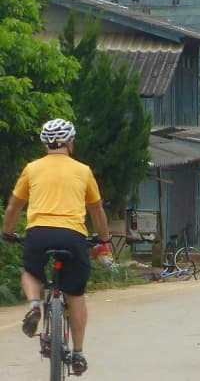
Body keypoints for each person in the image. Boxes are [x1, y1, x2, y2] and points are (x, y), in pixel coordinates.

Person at [2, 118, 111, 376]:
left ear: (45, 143)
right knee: (75, 295)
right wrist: (104, 239)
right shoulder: (83, 171)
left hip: (38, 233)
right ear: (70, 143)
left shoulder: (32, 169)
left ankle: (32, 305)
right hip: (73, 236)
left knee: (31, 272)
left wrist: (7, 232)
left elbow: (13, 207)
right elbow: (96, 209)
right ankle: (78, 352)